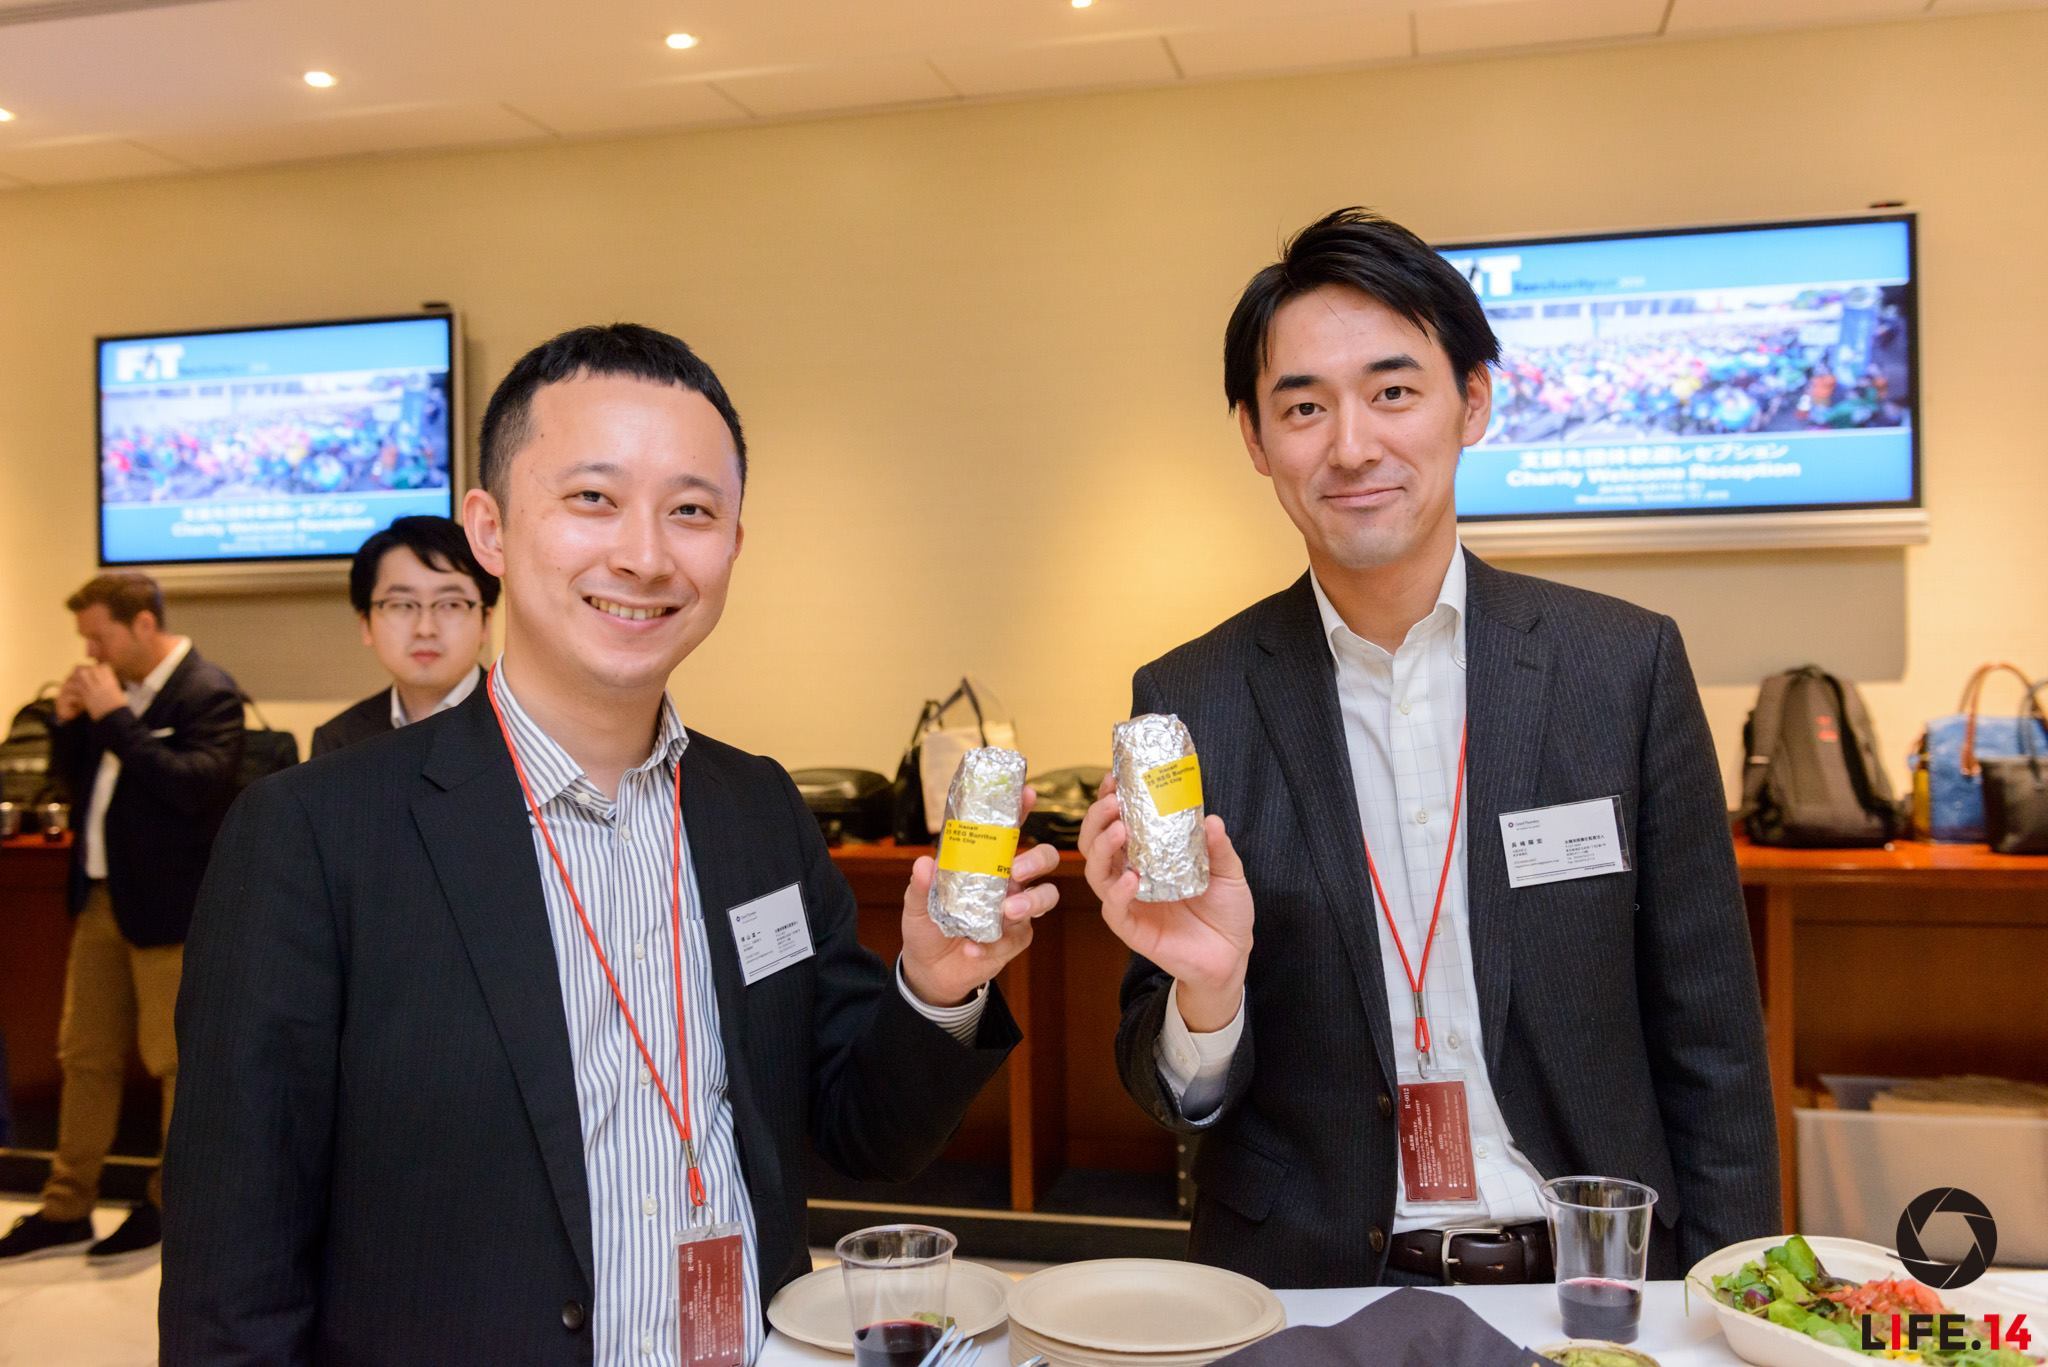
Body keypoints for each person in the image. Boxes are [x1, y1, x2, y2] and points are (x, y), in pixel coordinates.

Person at [161, 324, 1060, 1364]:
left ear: (734, 544)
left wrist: (937, 986)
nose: (644, 554)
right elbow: (233, 1284)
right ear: (490, 530)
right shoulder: (312, 837)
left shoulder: (757, 811)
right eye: (593, 497)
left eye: (691, 511)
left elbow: (869, 1133)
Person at [1082, 208, 1779, 1290]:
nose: (1351, 444)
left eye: (1393, 391)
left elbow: (1714, 1035)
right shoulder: (1189, 701)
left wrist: (1735, 1298)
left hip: (1589, 1282)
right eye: (1303, 406)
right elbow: (1171, 1090)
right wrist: (1207, 996)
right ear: (1255, 440)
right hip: (1311, 1289)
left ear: (1474, 402)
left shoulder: (1621, 668)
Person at [0, 573, 244, 1263]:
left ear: (142, 625)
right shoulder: (116, 691)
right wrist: (71, 724)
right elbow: (75, 784)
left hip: (170, 908)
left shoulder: (207, 690)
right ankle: (66, 1206)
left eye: (98, 636)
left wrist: (113, 719)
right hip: (101, 901)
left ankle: (166, 1206)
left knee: (173, 1062)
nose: (90, 651)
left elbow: (194, 789)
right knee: (84, 1057)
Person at [311, 514, 499, 756]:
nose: (425, 629)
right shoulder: (339, 740)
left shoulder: (525, 723)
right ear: (366, 624)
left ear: (486, 622)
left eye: (451, 604)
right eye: (402, 604)